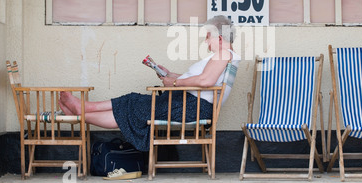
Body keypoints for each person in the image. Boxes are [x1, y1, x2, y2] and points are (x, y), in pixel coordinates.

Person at [58, 15, 240, 152]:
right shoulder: (224, 56)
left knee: (133, 104)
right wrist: (169, 74)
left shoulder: (223, 54)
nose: (206, 43)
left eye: (207, 37)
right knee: (132, 103)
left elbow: (205, 81)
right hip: (188, 103)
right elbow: (200, 79)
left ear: (218, 37)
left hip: (191, 107)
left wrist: (175, 83)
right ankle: (81, 109)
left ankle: (81, 110)